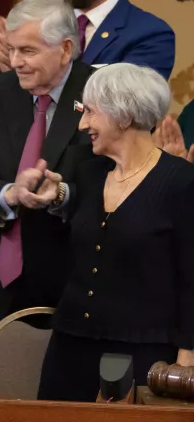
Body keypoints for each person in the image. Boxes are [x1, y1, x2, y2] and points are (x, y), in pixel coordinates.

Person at [20, 63, 194, 401]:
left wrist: (187, 356)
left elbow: (192, 278)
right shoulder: (88, 172)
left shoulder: (182, 183)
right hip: (70, 347)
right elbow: (72, 221)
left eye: (91, 113)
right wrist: (53, 194)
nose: (83, 124)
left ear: (124, 116)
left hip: (145, 354)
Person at [0, 0, 95, 335]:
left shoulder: (100, 96)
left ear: (66, 49)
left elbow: (116, 189)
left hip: (71, 283)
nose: (16, 61)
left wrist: (62, 194)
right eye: (12, 50)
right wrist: (7, 194)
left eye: (28, 51)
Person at [0, 0, 175, 79]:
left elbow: (125, 109)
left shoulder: (151, 34)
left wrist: (43, 77)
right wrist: (17, 76)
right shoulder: (38, 26)